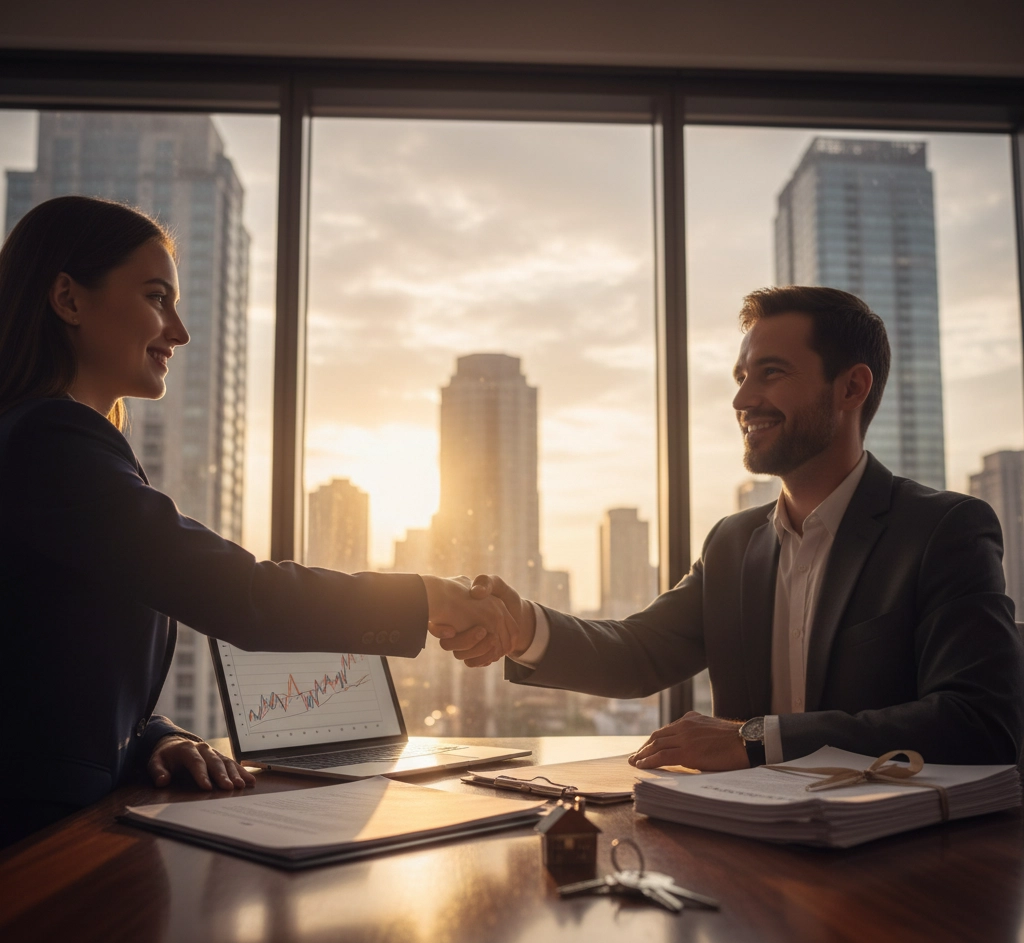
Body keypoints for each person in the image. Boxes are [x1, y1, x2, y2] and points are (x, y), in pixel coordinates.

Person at [0, 195, 518, 846]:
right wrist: (426, 598)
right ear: (69, 299)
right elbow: (238, 594)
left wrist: (157, 736)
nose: (179, 331)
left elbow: (48, 669)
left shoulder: (59, 444)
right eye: (158, 297)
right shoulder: (48, 443)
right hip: (30, 847)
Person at [444, 286, 1024, 771]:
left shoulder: (944, 529)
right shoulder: (733, 544)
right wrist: (522, 627)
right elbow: (638, 652)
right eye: (743, 376)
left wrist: (756, 740)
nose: (743, 398)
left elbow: (980, 721)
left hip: (897, 866)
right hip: (746, 850)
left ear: (851, 388)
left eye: (770, 374)